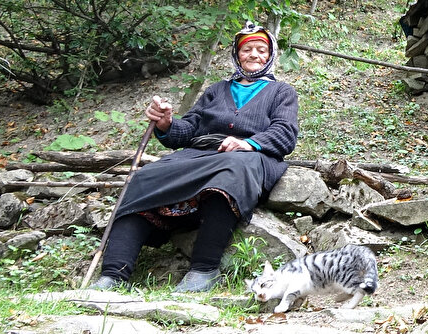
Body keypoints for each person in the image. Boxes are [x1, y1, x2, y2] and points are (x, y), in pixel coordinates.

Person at [90, 22, 299, 292]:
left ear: (270, 56)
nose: (254, 55)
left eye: (261, 50)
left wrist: (248, 143)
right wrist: (167, 123)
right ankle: (113, 275)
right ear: (237, 54)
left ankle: (204, 269)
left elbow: (285, 133)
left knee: (231, 173)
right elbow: (188, 130)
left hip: (250, 157)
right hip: (201, 153)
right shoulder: (216, 90)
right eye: (247, 49)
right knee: (143, 178)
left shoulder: (282, 92)